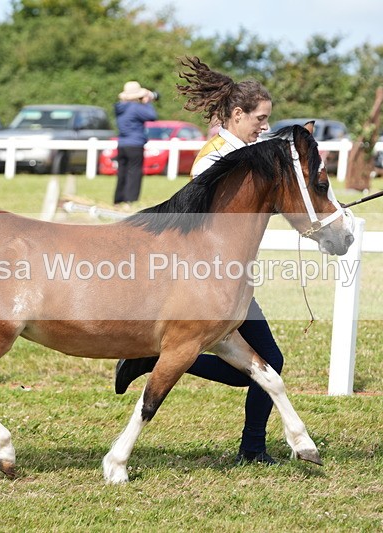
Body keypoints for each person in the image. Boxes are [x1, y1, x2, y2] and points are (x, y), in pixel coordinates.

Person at [114, 56, 283, 465]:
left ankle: (157, 361)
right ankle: (253, 449)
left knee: (263, 365)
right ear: (237, 115)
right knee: (269, 363)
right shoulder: (214, 157)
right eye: (260, 118)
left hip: (229, 279)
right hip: (206, 280)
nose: (264, 126)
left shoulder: (246, 151)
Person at [114, 81, 158, 207]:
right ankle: (130, 200)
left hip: (122, 144)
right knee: (134, 172)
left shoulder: (119, 107)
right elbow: (152, 116)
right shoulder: (136, 107)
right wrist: (147, 102)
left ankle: (118, 200)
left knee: (122, 172)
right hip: (135, 144)